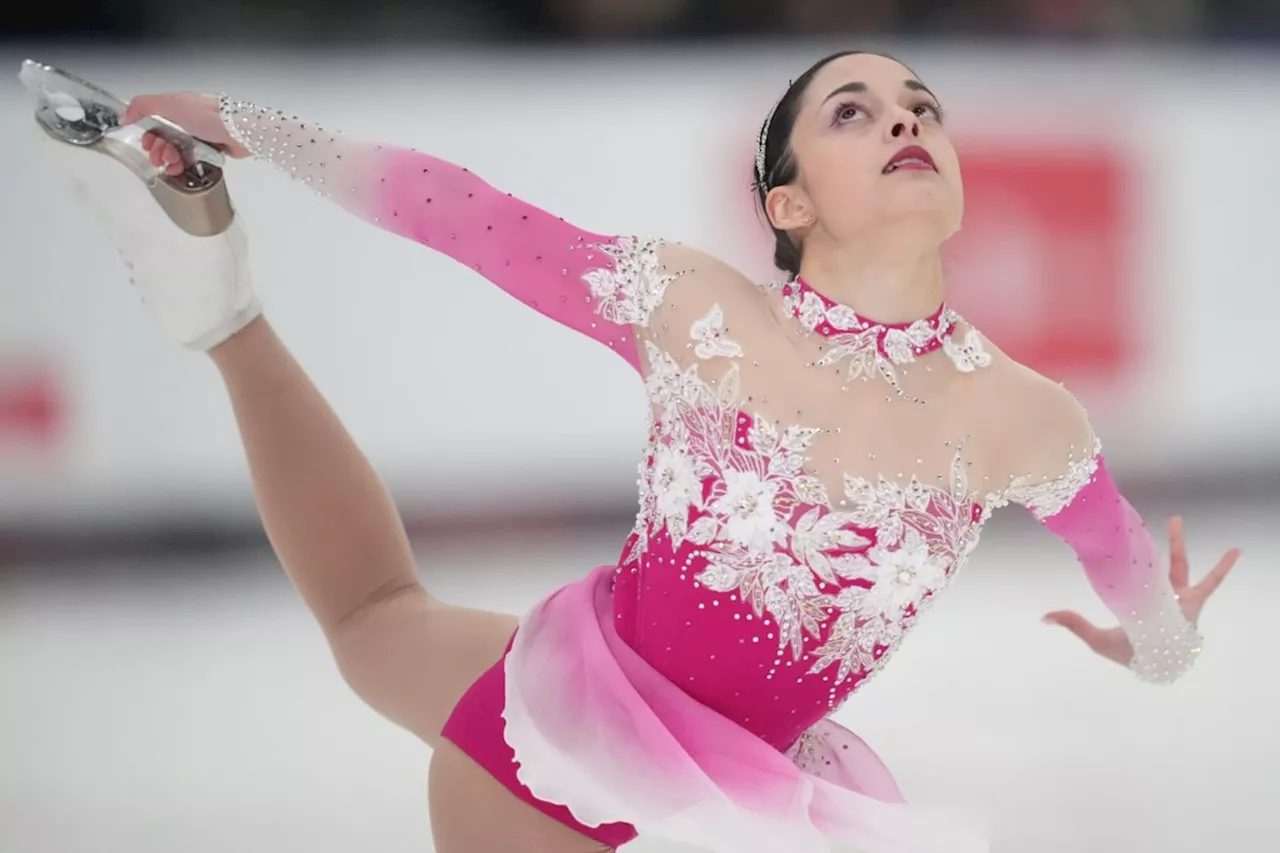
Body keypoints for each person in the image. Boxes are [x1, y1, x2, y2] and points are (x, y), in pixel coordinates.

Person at [54, 50, 1238, 853]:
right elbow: (465, 212)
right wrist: (248, 125)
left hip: (751, 798)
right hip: (553, 761)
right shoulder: (691, 307)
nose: (905, 121)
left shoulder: (1026, 419)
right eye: (854, 111)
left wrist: (1155, 642)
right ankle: (218, 297)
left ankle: (213, 301)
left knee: (373, 619)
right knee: (370, 622)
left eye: (923, 107)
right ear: (788, 205)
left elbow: (1147, 604)